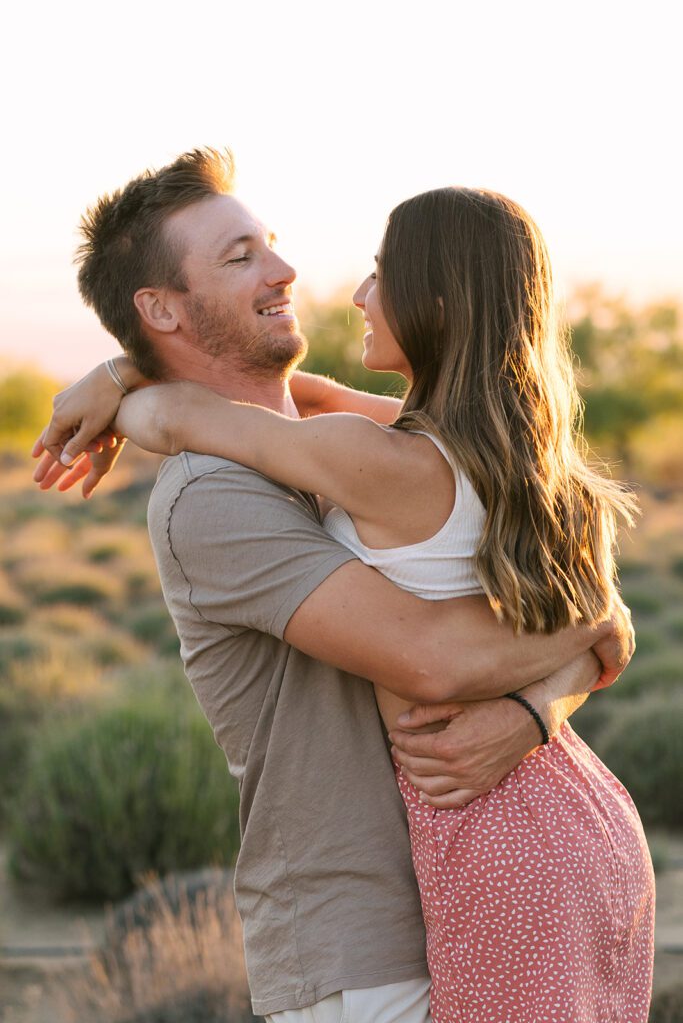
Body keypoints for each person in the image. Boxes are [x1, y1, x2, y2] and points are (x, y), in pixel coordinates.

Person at [33, 149, 638, 1023]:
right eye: (241, 257)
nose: (288, 272)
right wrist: (588, 633)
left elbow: (252, 408)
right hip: (366, 934)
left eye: (271, 245)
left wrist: (543, 697)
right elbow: (435, 655)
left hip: (483, 870)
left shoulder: (363, 450)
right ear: (160, 307)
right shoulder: (216, 492)